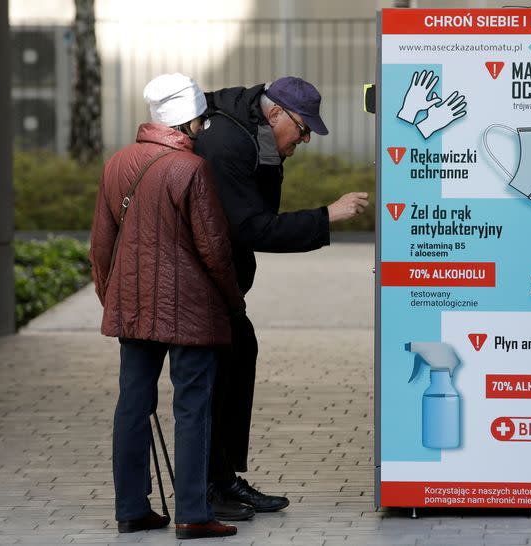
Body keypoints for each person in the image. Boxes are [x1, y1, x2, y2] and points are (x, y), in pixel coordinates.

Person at [194, 76, 369, 517]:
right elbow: (251, 227)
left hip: (223, 281)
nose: (307, 137)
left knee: (240, 353)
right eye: (304, 127)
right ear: (275, 114)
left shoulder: (257, 135)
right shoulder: (229, 145)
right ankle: (207, 491)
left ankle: (223, 479)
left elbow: (259, 214)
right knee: (212, 377)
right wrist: (326, 215)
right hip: (200, 283)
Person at [89, 73, 245, 540]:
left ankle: (131, 510)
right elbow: (214, 248)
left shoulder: (118, 163)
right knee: (193, 407)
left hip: (132, 307)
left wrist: (111, 297)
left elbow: (101, 244)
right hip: (190, 311)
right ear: (191, 120)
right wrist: (233, 301)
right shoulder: (191, 170)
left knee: (132, 406)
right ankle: (193, 513)